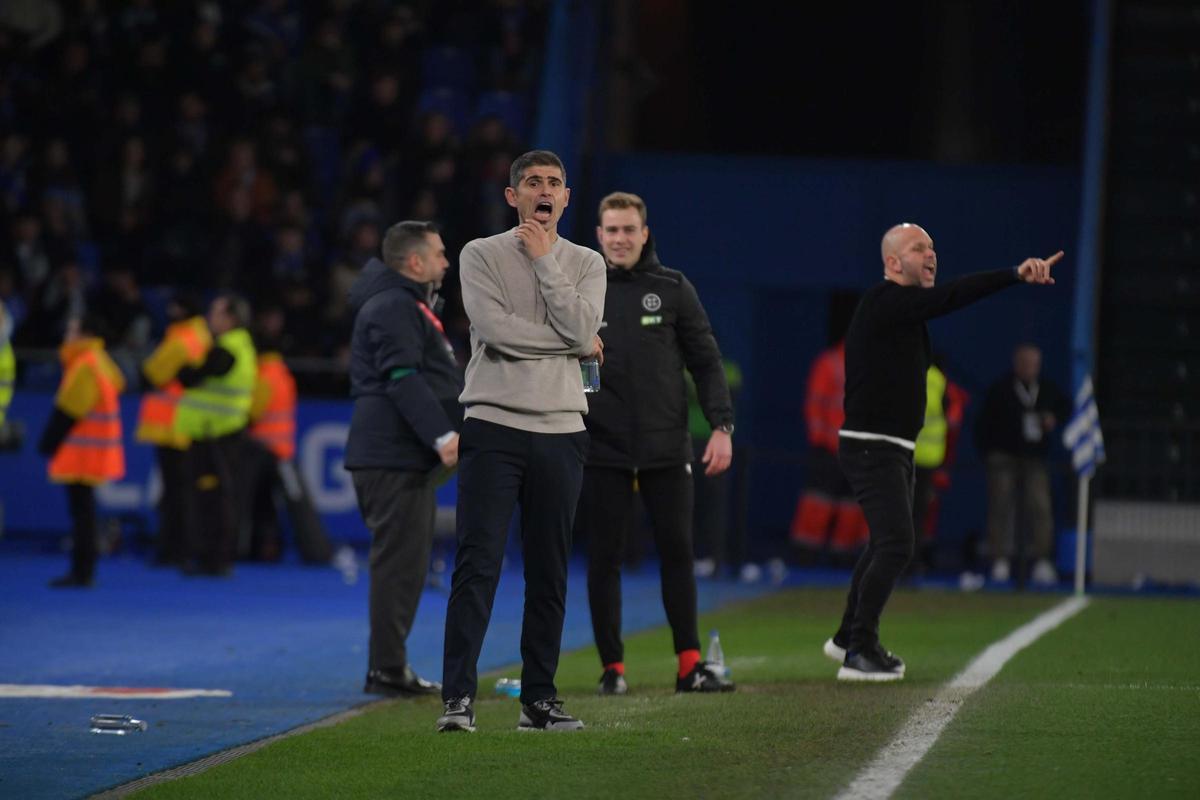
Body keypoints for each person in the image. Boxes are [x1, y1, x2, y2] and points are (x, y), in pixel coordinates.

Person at [824, 223, 1060, 681]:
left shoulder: (900, 311)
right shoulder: (885, 301)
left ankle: (845, 637)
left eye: (933, 246)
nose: (931, 254)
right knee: (896, 544)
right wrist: (1014, 273)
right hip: (874, 446)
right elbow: (953, 296)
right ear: (893, 263)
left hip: (889, 447)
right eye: (918, 248)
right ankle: (860, 650)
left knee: (884, 542)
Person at [438, 150, 605, 733]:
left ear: (565, 197)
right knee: (477, 564)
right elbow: (494, 331)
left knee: (550, 571)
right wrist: (570, 342)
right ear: (513, 196)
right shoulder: (480, 253)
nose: (544, 189)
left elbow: (585, 330)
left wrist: (544, 264)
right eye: (532, 182)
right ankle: (457, 698)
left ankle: (539, 700)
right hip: (494, 426)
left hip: (562, 431)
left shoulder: (586, 262)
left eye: (554, 183)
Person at [577, 191, 736, 695]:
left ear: (644, 234)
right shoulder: (580, 288)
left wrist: (722, 426)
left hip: (667, 447)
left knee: (677, 553)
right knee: (604, 558)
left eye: (629, 230)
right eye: (611, 230)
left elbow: (707, 362)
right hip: (601, 448)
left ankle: (689, 666)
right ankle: (612, 670)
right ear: (599, 235)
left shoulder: (672, 287)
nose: (620, 239)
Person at [344, 220, 463, 698]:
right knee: (399, 565)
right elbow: (401, 376)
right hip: (393, 454)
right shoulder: (394, 304)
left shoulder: (403, 302)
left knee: (406, 564)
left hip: (399, 455)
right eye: (438, 253)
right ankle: (387, 669)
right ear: (414, 262)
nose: (445, 262)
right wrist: (441, 435)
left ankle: (390, 666)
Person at [38, 314, 125, 587]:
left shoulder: (86, 364)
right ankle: (83, 569)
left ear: (85, 334)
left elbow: (69, 410)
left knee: (82, 514)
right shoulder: (99, 361)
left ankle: (82, 571)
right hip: (93, 451)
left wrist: (48, 443)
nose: (67, 334)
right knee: (84, 512)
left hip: (82, 452)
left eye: (72, 329)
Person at [174, 293, 257, 577]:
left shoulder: (228, 349)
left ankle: (215, 558)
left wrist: (185, 369)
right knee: (212, 496)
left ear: (232, 318)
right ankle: (211, 556)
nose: (211, 316)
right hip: (215, 433)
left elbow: (190, 377)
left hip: (218, 435)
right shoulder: (236, 346)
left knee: (215, 497)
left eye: (217, 312)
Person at [975, 343, 1069, 586]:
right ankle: (1000, 559)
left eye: (1034, 364)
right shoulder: (1001, 389)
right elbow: (983, 424)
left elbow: (1065, 407)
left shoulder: (1046, 388)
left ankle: (1042, 560)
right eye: (1025, 363)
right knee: (1001, 505)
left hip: (1035, 457)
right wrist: (989, 452)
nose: (1030, 368)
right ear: (1016, 364)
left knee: (1039, 506)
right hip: (1004, 456)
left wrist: (1053, 418)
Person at [135, 291, 210, 566]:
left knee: (175, 492)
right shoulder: (202, 337)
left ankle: (172, 550)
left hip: (171, 424)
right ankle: (185, 548)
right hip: (190, 422)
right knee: (186, 490)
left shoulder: (180, 339)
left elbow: (153, 373)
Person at [789, 339, 869, 565]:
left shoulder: (864, 363)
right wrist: (818, 439)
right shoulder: (833, 363)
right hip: (832, 446)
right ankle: (807, 550)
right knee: (821, 498)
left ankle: (840, 552)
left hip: (852, 446)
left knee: (850, 503)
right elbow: (816, 401)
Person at [909, 360, 969, 574]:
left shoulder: (903, 374)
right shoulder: (941, 382)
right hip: (931, 458)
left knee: (899, 511)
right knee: (919, 513)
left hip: (906, 455)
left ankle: (902, 562)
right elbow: (954, 420)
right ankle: (912, 561)